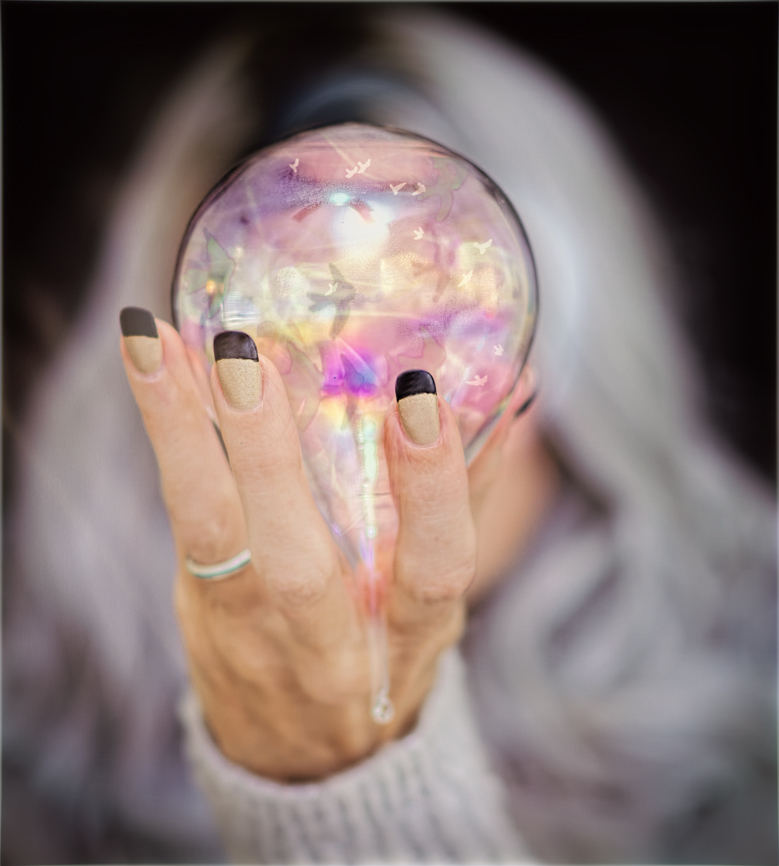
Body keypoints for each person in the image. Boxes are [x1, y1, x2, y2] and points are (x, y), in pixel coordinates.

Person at [4, 7, 775, 864]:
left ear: (576, 370)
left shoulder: (752, 753)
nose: (360, 413)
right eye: (286, 338)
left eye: (435, 331)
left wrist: (349, 799)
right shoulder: (30, 791)